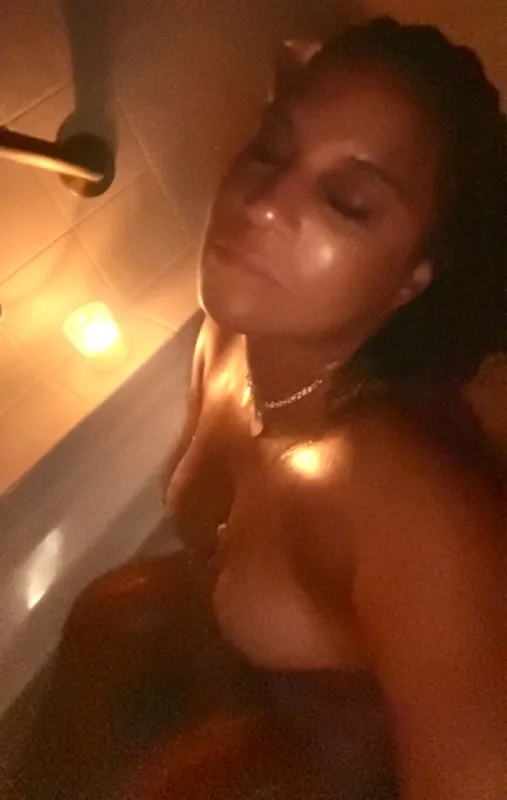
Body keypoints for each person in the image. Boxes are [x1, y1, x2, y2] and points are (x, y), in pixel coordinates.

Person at [23, 16, 507, 800]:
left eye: (347, 201)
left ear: (412, 278)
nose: (265, 203)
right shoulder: (227, 340)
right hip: (245, 707)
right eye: (270, 149)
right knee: (107, 618)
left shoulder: (409, 503)